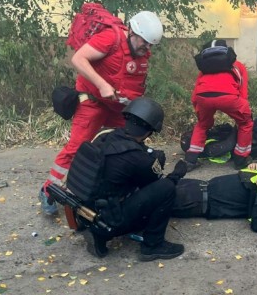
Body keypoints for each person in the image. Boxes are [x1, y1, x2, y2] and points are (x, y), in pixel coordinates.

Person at [39, 11, 164, 215]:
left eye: (151, 45)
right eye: (145, 42)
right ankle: (48, 190)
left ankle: (116, 189)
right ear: (132, 31)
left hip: (118, 108)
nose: (147, 48)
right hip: (93, 103)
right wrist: (102, 84)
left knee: (128, 147)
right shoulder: (110, 38)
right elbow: (79, 59)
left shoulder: (140, 51)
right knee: (76, 148)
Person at [73, 97, 187, 261]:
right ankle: (153, 245)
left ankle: (97, 232)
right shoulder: (137, 158)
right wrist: (176, 174)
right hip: (110, 218)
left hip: (88, 207)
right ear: (149, 131)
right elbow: (153, 180)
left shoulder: (105, 135)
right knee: (166, 188)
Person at [185, 39, 253, 171]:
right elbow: (243, 92)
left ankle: (190, 160)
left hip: (203, 97)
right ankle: (240, 159)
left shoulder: (204, 70)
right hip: (229, 97)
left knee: (202, 125)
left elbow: (195, 95)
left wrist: (198, 111)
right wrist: (242, 113)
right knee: (246, 123)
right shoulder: (237, 65)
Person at [172, 163, 257, 232]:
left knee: (157, 200)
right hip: (198, 185)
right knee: (158, 185)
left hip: (196, 200)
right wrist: (255, 169)